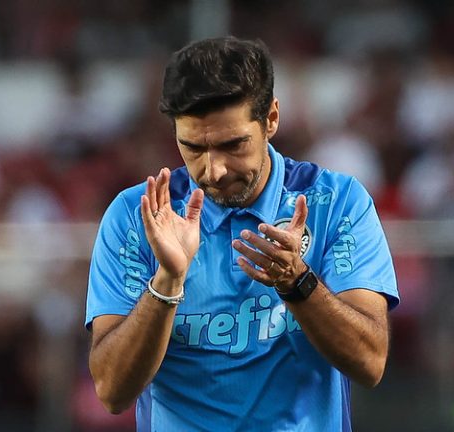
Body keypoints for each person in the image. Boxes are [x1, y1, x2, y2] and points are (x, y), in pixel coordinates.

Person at [85, 36, 399, 431]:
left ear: (271, 119)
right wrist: (166, 282)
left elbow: (370, 362)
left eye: (233, 145)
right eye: (193, 148)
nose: (213, 170)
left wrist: (296, 282)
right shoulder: (139, 217)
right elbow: (112, 391)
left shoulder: (336, 203)